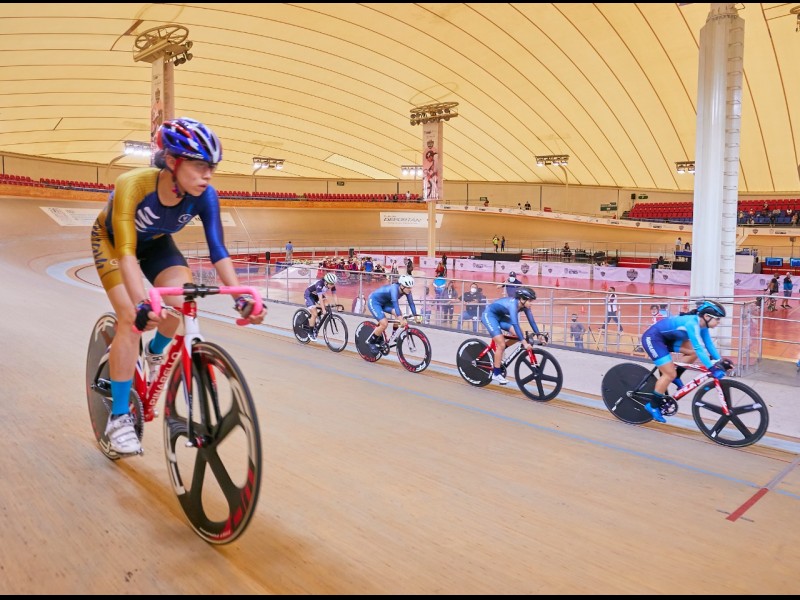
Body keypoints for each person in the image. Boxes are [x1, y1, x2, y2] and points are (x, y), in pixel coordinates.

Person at [90, 117, 265, 456]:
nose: (208, 175)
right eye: (199, 165)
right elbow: (126, 253)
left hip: (157, 245)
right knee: (131, 318)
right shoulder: (133, 184)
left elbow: (218, 251)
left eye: (211, 167)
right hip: (114, 244)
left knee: (180, 304)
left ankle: (155, 351)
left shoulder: (205, 196)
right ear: (172, 161)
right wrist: (141, 304)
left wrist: (241, 297)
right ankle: (120, 417)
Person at [640, 300, 728, 423]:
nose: (719, 322)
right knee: (669, 374)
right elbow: (699, 348)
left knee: (691, 353)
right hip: (653, 339)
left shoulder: (703, 325)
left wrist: (720, 361)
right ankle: (653, 406)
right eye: (717, 319)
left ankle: (676, 376)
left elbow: (709, 345)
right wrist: (711, 368)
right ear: (707, 316)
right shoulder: (692, 323)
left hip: (668, 339)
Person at [481, 287, 546, 385]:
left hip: (500, 317)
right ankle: (496, 373)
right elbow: (515, 324)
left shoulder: (525, 306)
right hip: (490, 316)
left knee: (519, 334)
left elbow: (531, 321)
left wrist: (539, 335)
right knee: (501, 344)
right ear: (522, 299)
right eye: (530, 301)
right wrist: (524, 343)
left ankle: (500, 350)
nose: (531, 303)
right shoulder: (512, 305)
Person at [365, 274, 420, 351]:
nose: (409, 289)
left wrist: (416, 316)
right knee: (384, 323)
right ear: (401, 286)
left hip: (386, 302)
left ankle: (394, 335)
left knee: (398, 314)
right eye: (408, 287)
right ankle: (371, 342)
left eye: (410, 287)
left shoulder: (407, 291)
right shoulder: (394, 289)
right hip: (375, 301)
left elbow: (411, 303)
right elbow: (395, 304)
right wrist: (401, 319)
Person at [303, 272, 339, 339]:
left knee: (327, 305)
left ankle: (316, 317)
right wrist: (323, 309)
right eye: (331, 284)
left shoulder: (331, 284)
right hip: (309, 295)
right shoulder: (319, 284)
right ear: (326, 282)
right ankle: (310, 333)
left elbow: (334, 295)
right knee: (315, 314)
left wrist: (337, 305)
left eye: (333, 284)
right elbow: (320, 298)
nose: (332, 286)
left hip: (317, 295)